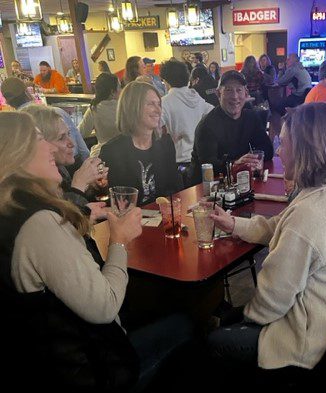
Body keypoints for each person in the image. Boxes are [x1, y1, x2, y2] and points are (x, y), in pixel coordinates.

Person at [0, 111, 194, 392]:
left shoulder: (14, 211)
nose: (52, 148)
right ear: (16, 154)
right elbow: (105, 306)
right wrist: (119, 240)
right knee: (186, 324)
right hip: (95, 372)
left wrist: (78, 222)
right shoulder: (41, 224)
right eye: (42, 139)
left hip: (54, 358)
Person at [207, 103, 326, 375]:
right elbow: (280, 227)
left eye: (283, 144)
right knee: (228, 315)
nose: (279, 152)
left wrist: (241, 319)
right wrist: (233, 223)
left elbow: (271, 302)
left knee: (215, 340)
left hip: (311, 339)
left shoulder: (310, 215)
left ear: (307, 151)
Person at [100, 81, 182, 205]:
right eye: (151, 104)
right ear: (132, 107)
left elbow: (174, 189)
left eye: (159, 104)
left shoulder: (166, 144)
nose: (158, 110)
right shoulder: (112, 151)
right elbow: (115, 201)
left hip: (164, 217)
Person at [19, 104, 108, 212]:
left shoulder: (60, 169)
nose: (72, 143)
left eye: (69, 134)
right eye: (61, 138)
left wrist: (91, 187)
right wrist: (78, 185)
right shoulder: (30, 189)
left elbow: (76, 208)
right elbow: (64, 223)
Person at [189, 70, 274, 182]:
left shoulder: (251, 118)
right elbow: (208, 165)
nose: (235, 96)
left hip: (239, 182)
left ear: (246, 93)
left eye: (239, 90)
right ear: (218, 94)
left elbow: (267, 150)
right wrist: (235, 164)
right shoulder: (207, 125)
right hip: (206, 188)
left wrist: (251, 160)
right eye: (228, 90)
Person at [0, 76, 89, 161]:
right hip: (74, 164)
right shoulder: (57, 112)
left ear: (7, 102)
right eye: (61, 137)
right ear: (27, 92)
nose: (71, 143)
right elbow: (83, 149)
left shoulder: (14, 128)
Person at [160, 60, 214, 166]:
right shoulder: (196, 97)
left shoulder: (164, 102)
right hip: (200, 156)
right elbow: (214, 112)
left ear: (166, 81)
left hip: (179, 159)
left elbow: (156, 129)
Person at [79, 72, 121, 157]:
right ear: (112, 92)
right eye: (119, 87)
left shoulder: (94, 109)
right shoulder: (124, 107)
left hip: (102, 154)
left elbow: (81, 133)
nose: (121, 90)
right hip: (124, 153)